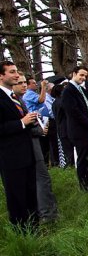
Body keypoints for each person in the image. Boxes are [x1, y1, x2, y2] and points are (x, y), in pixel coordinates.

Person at [13, 73, 58, 223]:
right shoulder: (18, 99)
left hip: (33, 141)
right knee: (40, 179)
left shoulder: (20, 99)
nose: (24, 85)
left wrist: (38, 129)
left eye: (25, 82)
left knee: (42, 178)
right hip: (23, 147)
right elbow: (22, 123)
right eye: (20, 82)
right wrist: (32, 127)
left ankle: (47, 213)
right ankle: (46, 214)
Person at [0, 61, 39, 231]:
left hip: (27, 154)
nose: (16, 75)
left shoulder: (14, 96)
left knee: (30, 194)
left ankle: (34, 228)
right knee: (17, 198)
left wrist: (31, 121)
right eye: (12, 72)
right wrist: (22, 122)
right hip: (11, 157)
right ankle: (21, 233)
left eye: (16, 71)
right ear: (1, 76)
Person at [61, 65, 88, 192]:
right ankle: (85, 185)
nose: (83, 78)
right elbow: (74, 111)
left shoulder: (80, 89)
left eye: (85, 75)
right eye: (81, 75)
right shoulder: (68, 90)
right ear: (74, 73)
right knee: (83, 158)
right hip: (79, 130)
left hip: (87, 129)